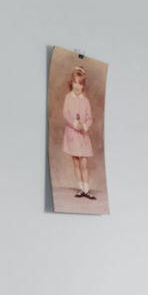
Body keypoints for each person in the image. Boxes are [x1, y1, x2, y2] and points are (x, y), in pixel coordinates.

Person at [62, 66, 97, 200]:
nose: (77, 86)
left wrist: (84, 126)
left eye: (80, 84)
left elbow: (90, 118)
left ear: (83, 86)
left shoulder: (86, 101)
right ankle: (81, 188)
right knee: (76, 163)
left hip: (82, 136)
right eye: (75, 82)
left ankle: (87, 189)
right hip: (72, 135)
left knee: (84, 164)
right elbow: (65, 113)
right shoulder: (68, 98)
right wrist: (74, 123)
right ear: (72, 83)